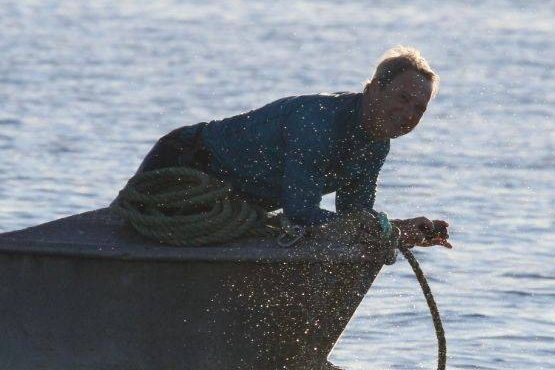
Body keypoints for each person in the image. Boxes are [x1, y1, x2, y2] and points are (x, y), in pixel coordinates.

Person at [135, 45, 450, 249]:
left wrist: (399, 231)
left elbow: (355, 216)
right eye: (403, 99)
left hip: (233, 207)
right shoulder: (319, 124)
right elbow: (300, 214)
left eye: (419, 109)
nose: (408, 114)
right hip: (182, 163)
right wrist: (376, 229)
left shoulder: (377, 145)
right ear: (373, 89)